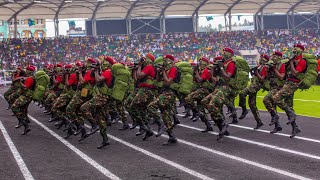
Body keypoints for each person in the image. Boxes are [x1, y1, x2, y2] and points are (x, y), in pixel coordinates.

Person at [273, 44, 306, 138]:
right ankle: (295, 127)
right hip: (288, 83)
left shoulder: (302, 61)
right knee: (289, 106)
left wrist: (291, 63)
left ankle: (292, 114)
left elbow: (295, 73)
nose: (294, 50)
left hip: (293, 84)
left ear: (301, 51)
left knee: (276, 98)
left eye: (296, 49)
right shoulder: (293, 60)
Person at [204, 48, 236, 141]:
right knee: (205, 101)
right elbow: (214, 77)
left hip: (226, 87)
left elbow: (227, 77)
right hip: (219, 87)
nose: (223, 54)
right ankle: (222, 125)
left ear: (230, 54)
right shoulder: (223, 63)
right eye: (223, 52)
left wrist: (221, 67)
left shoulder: (231, 64)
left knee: (212, 104)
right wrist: (215, 67)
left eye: (225, 52)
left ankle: (223, 124)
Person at [238, 54, 269, 129]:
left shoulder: (265, 67)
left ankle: (244, 110)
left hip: (255, 86)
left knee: (242, 93)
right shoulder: (259, 66)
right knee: (252, 105)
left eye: (262, 57)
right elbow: (251, 76)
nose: (260, 58)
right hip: (252, 85)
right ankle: (259, 122)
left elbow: (262, 79)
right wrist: (252, 72)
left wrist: (256, 73)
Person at [184, 57, 214, 132]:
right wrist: (195, 72)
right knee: (201, 110)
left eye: (201, 62)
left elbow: (200, 80)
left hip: (205, 90)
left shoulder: (206, 70)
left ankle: (196, 112)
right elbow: (196, 80)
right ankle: (208, 126)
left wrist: (197, 72)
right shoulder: (202, 70)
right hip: (201, 90)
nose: (200, 64)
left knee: (188, 98)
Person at [263, 51, 286, 134]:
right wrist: (268, 70)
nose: (273, 58)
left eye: (275, 56)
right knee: (273, 106)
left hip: (278, 88)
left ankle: (294, 126)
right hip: (272, 87)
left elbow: (281, 77)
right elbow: (267, 77)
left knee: (265, 100)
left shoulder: (282, 65)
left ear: (279, 57)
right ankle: (277, 126)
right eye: (273, 56)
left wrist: (274, 69)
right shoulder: (272, 65)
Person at [11, 65, 36, 135]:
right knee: (22, 109)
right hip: (27, 96)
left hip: (26, 96)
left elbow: (25, 88)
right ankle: (26, 125)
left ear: (29, 71)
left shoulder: (30, 79)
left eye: (27, 70)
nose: (26, 72)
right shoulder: (30, 78)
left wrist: (20, 82)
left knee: (14, 107)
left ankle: (23, 122)